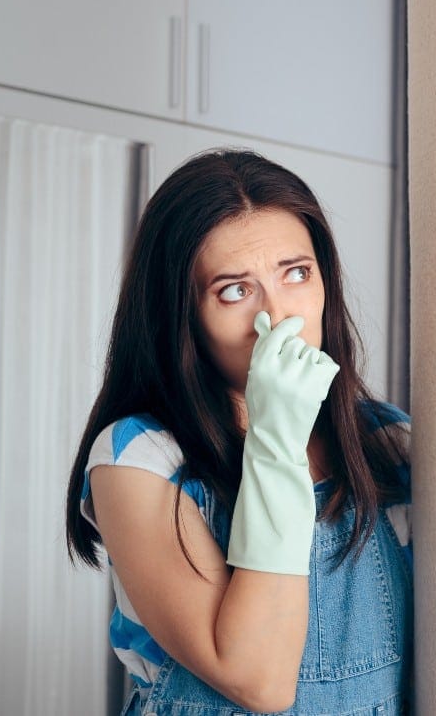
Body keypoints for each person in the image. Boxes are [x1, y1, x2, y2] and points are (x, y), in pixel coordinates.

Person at [64, 147, 414, 715]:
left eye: (296, 274)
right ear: (182, 316)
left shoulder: (389, 443)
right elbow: (258, 679)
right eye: (234, 290)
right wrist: (277, 436)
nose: (278, 318)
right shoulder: (138, 459)